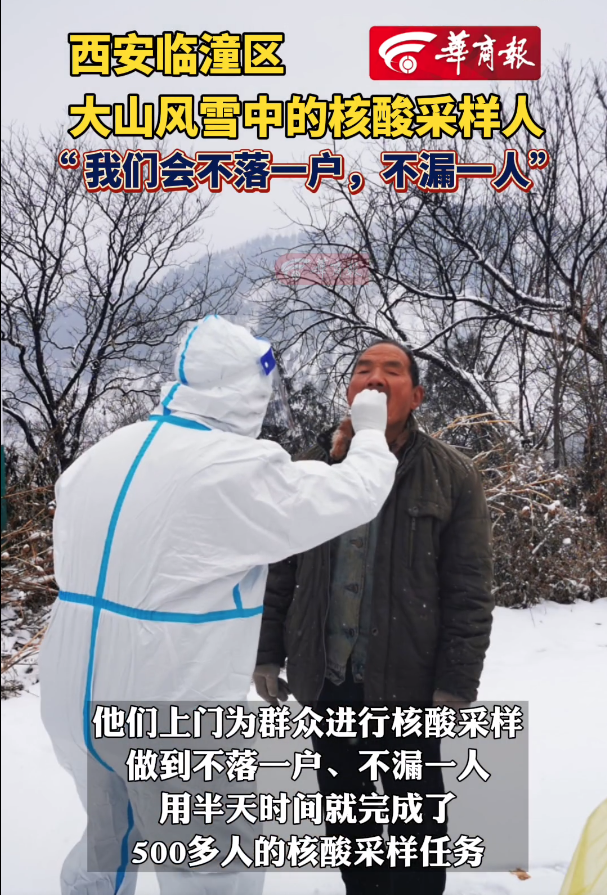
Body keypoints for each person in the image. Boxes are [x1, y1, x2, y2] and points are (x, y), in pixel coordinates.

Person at [38, 316, 398, 895]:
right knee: (212, 867)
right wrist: (371, 432)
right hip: (166, 706)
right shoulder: (231, 469)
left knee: (108, 846)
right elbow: (355, 492)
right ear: (247, 389)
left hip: (73, 698)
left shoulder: (103, 455)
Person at [254, 339, 494, 895]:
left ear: (417, 396)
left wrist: (457, 683)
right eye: (363, 369)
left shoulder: (450, 475)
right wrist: (266, 654)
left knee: (417, 829)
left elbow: (469, 590)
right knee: (348, 823)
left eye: (391, 370)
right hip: (327, 680)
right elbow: (280, 570)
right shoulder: (312, 469)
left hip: (409, 687)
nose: (375, 378)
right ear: (350, 389)